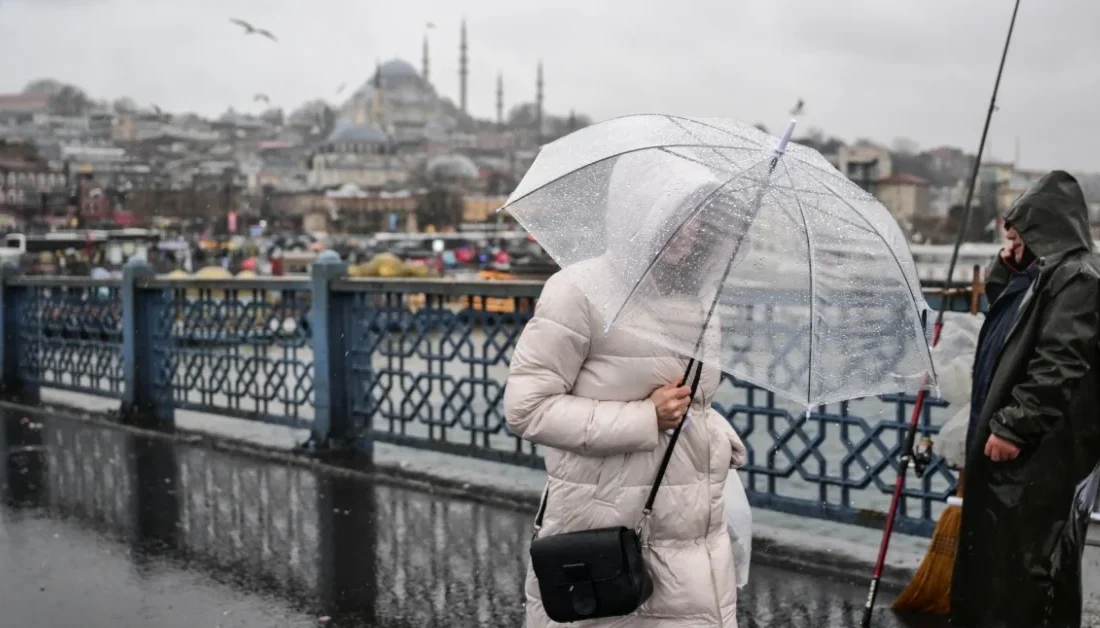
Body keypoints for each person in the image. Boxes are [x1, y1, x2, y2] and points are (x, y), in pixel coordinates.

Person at [504, 153, 748, 627]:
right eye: (673, 215)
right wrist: (645, 418)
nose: (689, 231)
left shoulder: (702, 299)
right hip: (609, 527)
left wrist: (712, 433)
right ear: (636, 213)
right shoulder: (578, 290)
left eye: (698, 218)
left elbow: (691, 403)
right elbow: (527, 409)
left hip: (694, 524)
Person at [951, 170, 1100, 628]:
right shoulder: (1045, 274)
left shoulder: (1078, 278)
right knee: (1001, 558)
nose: (1014, 244)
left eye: (1020, 236)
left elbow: (1059, 360)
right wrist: (1008, 266)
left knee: (1028, 562)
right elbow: (1011, 318)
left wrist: (1016, 426)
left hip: (1041, 450)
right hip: (1020, 444)